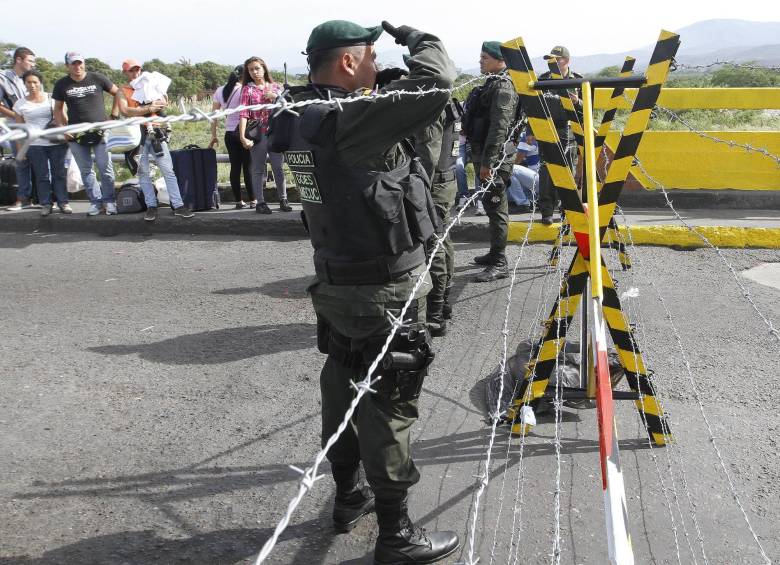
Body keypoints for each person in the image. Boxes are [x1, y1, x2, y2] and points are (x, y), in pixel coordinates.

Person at [269, 19, 459, 564]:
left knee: (343, 385)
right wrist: (415, 37)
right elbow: (438, 81)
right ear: (349, 61)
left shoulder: (301, 116)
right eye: (370, 57)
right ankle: (397, 534)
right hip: (383, 287)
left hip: (335, 280)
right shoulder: (352, 121)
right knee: (389, 404)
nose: (376, 68)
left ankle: (349, 496)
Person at [463, 41, 520, 282]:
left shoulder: (504, 87)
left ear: (500, 61)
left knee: (496, 207)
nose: (480, 61)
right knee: (490, 204)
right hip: (485, 155)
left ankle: (499, 262)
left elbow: (499, 127)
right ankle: (494, 253)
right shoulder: (492, 83)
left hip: (494, 159)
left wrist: (489, 162)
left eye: (485, 58)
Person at [114, 58, 193, 221]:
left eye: (137, 69)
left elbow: (163, 101)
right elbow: (124, 110)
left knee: (167, 170)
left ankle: (178, 205)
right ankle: (151, 205)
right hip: (137, 134)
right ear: (125, 72)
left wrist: (147, 106)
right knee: (143, 172)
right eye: (131, 70)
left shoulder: (151, 82)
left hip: (157, 132)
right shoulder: (123, 90)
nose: (136, 72)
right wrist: (147, 108)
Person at [414, 97, 462, 335]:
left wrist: (416, 188)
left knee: (433, 245)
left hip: (433, 185)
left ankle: (434, 314)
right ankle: (443, 302)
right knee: (442, 240)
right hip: (445, 181)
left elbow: (427, 156)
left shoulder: (430, 105)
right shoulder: (445, 100)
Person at [52, 52, 119, 216]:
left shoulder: (97, 78)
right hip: (75, 134)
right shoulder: (62, 84)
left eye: (80, 63)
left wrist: (114, 116)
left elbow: (118, 93)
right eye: (73, 63)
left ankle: (109, 201)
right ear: (67, 66)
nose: (78, 66)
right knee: (86, 170)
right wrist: (63, 129)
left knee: (106, 168)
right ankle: (96, 202)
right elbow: (58, 109)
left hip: (100, 131)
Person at [12, 70, 71, 216]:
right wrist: (21, 150)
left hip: (56, 142)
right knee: (42, 175)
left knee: (59, 174)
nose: (32, 85)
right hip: (35, 145)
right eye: (28, 82)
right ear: (24, 84)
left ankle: (63, 202)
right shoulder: (20, 104)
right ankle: (46, 204)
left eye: (35, 82)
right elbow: (21, 130)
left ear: (40, 83)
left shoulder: (52, 98)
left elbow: (64, 119)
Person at [237, 57, 291, 214]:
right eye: (251, 70)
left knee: (278, 167)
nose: (254, 72)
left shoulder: (276, 87)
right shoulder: (247, 89)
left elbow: (287, 106)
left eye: (257, 68)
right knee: (258, 169)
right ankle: (260, 202)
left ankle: (283, 199)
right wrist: (243, 136)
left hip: (275, 131)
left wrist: (276, 97)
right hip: (257, 133)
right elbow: (243, 113)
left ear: (264, 69)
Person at [536, 45, 582, 225]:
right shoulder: (543, 80)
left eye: (557, 59)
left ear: (567, 61)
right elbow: (534, 106)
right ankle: (546, 211)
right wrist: (532, 131)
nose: (552, 63)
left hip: (569, 132)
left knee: (568, 174)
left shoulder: (578, 81)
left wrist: (577, 101)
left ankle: (567, 211)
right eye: (550, 59)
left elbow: (589, 108)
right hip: (546, 129)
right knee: (546, 173)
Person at [210, 65, 255, 209]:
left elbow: (214, 116)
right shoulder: (246, 89)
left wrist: (213, 135)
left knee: (235, 167)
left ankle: (238, 200)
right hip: (244, 132)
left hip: (229, 133)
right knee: (248, 167)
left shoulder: (220, 90)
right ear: (244, 76)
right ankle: (253, 199)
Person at [0, 47, 35, 210]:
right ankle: (23, 199)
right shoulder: (3, 78)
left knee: (40, 162)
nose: (33, 64)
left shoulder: (32, 78)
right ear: (19, 60)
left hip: (35, 126)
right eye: (30, 60)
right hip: (16, 127)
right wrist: (16, 116)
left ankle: (43, 199)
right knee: (21, 162)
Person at [507, 130, 539, 213]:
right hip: (545, 181)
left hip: (539, 180)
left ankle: (523, 204)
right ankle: (532, 201)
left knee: (509, 169)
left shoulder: (526, 135)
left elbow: (517, 159)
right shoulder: (543, 132)